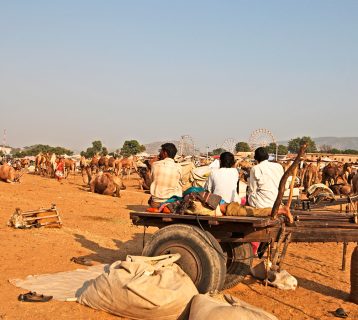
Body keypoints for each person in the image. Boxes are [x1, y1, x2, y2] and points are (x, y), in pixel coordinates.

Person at [149, 143, 183, 208]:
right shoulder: (179, 167)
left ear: (165, 153)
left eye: (161, 151)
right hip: (173, 202)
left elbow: (152, 180)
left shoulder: (154, 165)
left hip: (156, 201)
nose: (159, 153)